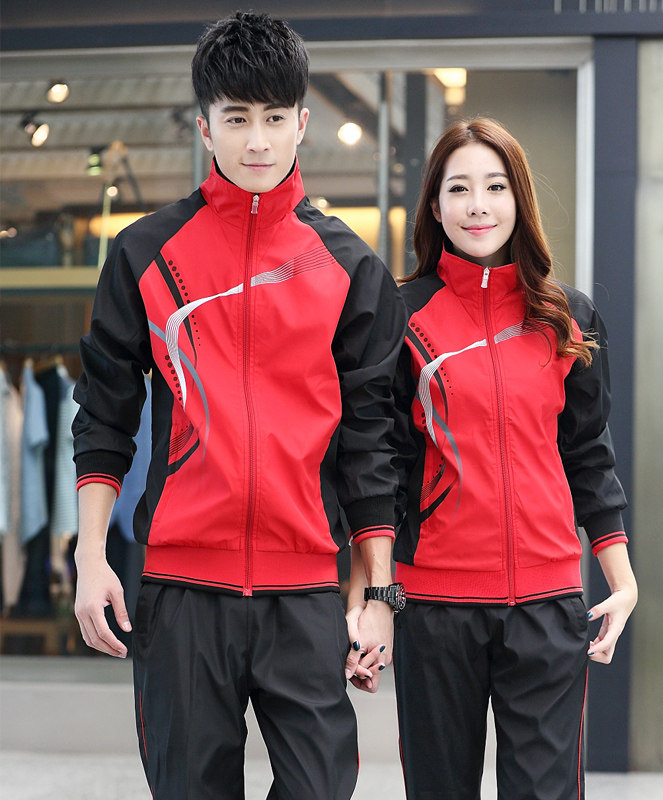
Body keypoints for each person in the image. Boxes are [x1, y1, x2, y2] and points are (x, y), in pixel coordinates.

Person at [71, 12, 404, 799]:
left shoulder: (350, 266)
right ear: (205, 126)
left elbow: (371, 446)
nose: (258, 141)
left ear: (303, 124)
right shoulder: (146, 253)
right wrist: (91, 556)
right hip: (182, 589)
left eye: (275, 119)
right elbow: (105, 417)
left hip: (305, 593)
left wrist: (378, 596)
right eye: (237, 119)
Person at [377, 117, 638, 800]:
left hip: (548, 605)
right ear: (435, 207)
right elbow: (382, 468)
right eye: (459, 189)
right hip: (436, 606)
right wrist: (374, 596)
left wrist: (621, 579)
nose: (478, 205)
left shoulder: (566, 316)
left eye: (495, 187)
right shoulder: (401, 317)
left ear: (519, 199)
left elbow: (588, 454)